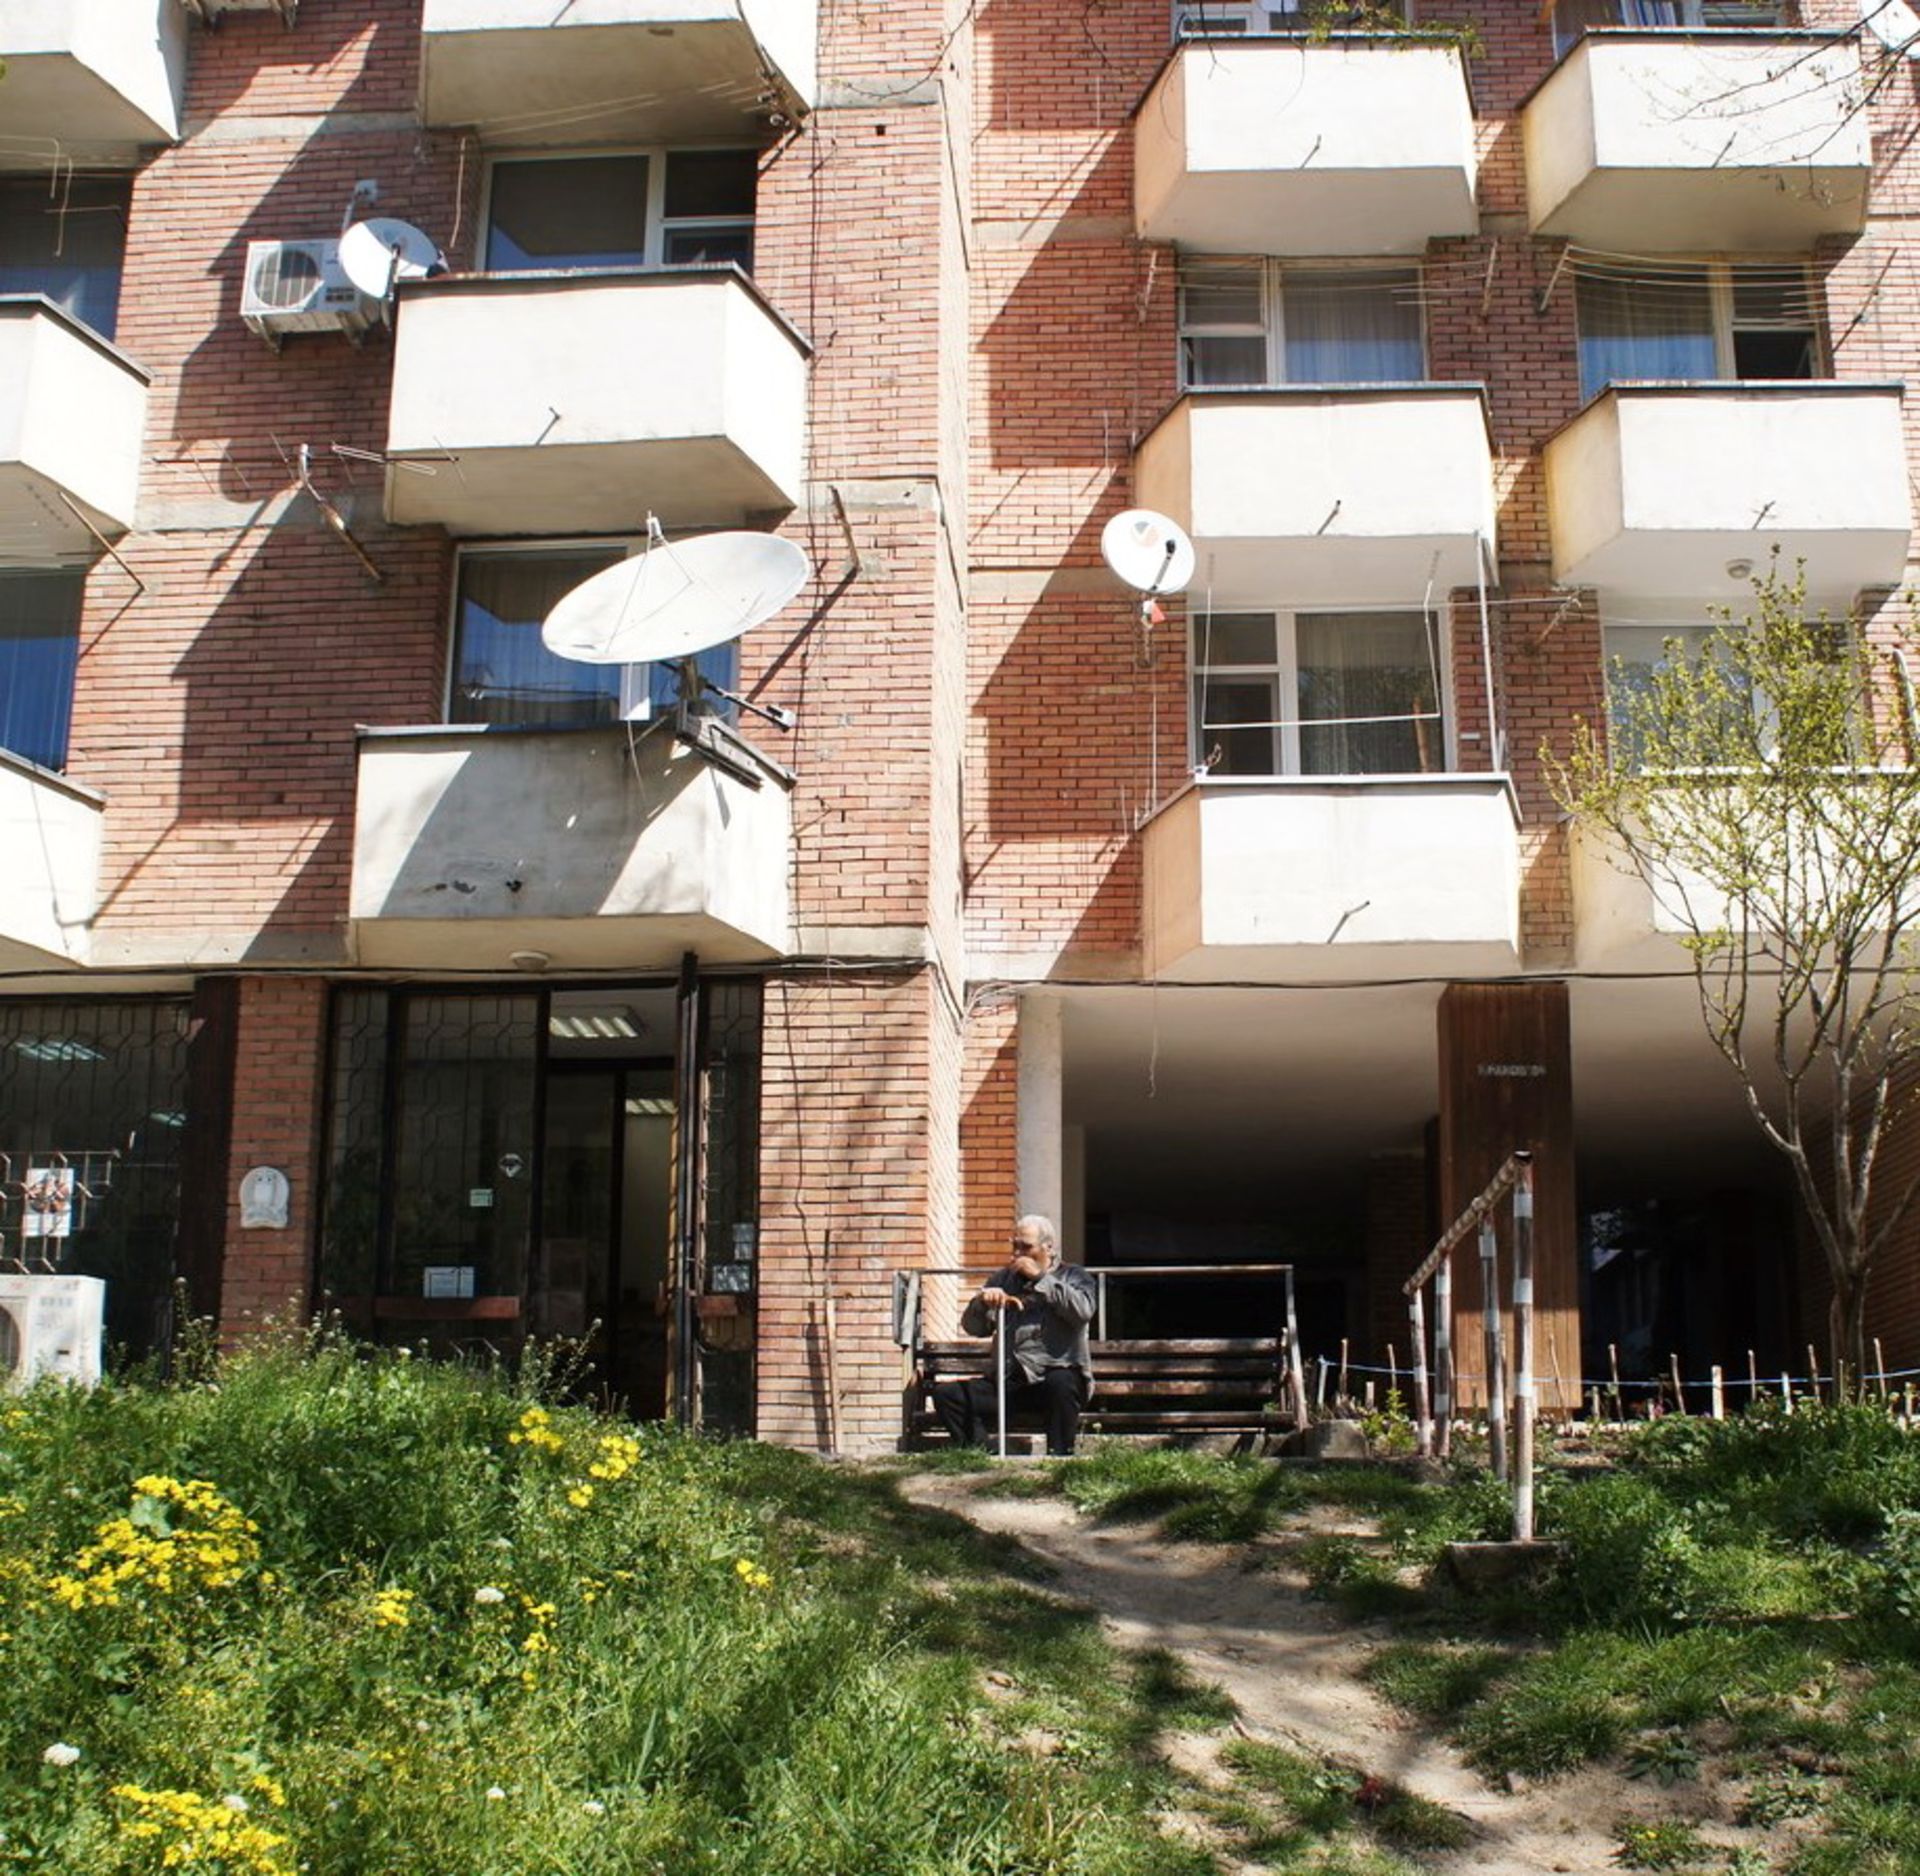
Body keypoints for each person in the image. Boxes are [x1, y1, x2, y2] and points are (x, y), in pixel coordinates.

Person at [931, 1214, 1095, 1457]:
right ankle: (982, 1455)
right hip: (1010, 1382)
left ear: (1048, 1248)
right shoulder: (1003, 1280)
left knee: (1061, 1383)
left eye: (1026, 1247)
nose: (1018, 1254)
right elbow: (974, 1328)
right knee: (948, 1395)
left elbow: (1083, 1311)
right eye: (1015, 1246)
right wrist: (982, 1303)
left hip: (1054, 1379)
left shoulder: (1074, 1276)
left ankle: (1060, 1460)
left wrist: (1041, 1278)